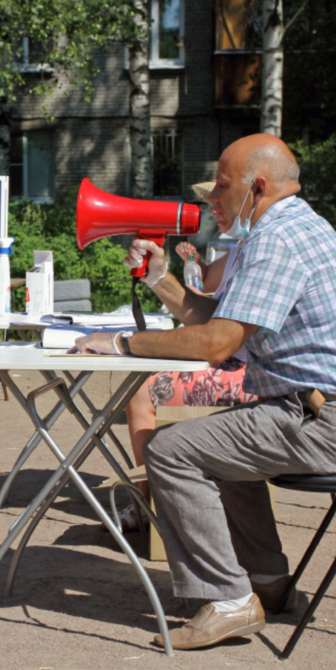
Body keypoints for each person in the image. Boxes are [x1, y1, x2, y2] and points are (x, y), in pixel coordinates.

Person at [74, 134, 336, 650]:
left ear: (258, 187)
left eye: (222, 188)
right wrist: (160, 278)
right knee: (213, 448)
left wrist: (121, 343)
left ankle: (228, 600)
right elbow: (217, 319)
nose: (212, 200)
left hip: (334, 421)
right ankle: (267, 583)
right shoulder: (288, 227)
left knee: (170, 449)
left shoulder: (277, 240)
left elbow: (216, 344)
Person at [118, 190, 257, 533]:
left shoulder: (259, 250)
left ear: (251, 197)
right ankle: (154, 496)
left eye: (220, 198)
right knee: (146, 381)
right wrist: (164, 272)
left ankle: (147, 501)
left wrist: (124, 343)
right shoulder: (242, 249)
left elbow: (218, 336)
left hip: (253, 372)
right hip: (236, 362)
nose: (213, 208)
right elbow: (206, 287)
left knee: (141, 392)